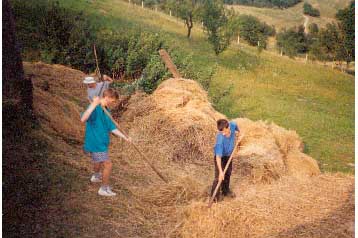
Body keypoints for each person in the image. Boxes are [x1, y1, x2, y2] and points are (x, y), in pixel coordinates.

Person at [81, 88, 130, 196]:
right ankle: (103, 189)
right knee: (108, 165)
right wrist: (93, 104)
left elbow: (111, 128)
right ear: (107, 97)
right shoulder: (95, 108)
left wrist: (125, 137)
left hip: (102, 142)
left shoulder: (106, 110)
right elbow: (83, 119)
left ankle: (96, 176)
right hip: (96, 142)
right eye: (113, 101)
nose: (113, 103)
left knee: (98, 161)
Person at [210, 119, 240, 201]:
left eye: (223, 131)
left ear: (228, 127)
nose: (222, 133)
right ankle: (214, 197)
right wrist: (220, 171)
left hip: (229, 155)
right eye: (221, 132)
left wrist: (239, 134)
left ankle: (225, 191)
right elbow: (218, 157)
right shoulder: (220, 140)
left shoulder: (232, 125)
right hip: (221, 157)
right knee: (218, 177)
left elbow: (238, 128)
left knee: (228, 173)